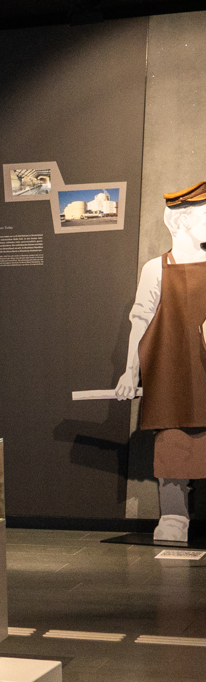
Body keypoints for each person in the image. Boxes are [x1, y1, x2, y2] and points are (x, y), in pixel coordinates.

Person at [115, 182, 206, 542]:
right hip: (172, 373)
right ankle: (174, 515)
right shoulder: (156, 269)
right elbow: (140, 321)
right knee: (172, 442)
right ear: (182, 220)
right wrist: (130, 372)